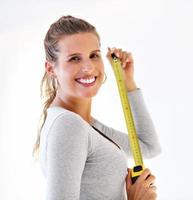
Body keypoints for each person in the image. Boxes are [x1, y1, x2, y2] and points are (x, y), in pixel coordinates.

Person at [32, 15, 161, 200]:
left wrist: (127, 82)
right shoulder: (68, 125)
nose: (88, 67)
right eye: (74, 58)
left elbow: (149, 147)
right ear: (51, 69)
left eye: (94, 55)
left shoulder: (83, 124)